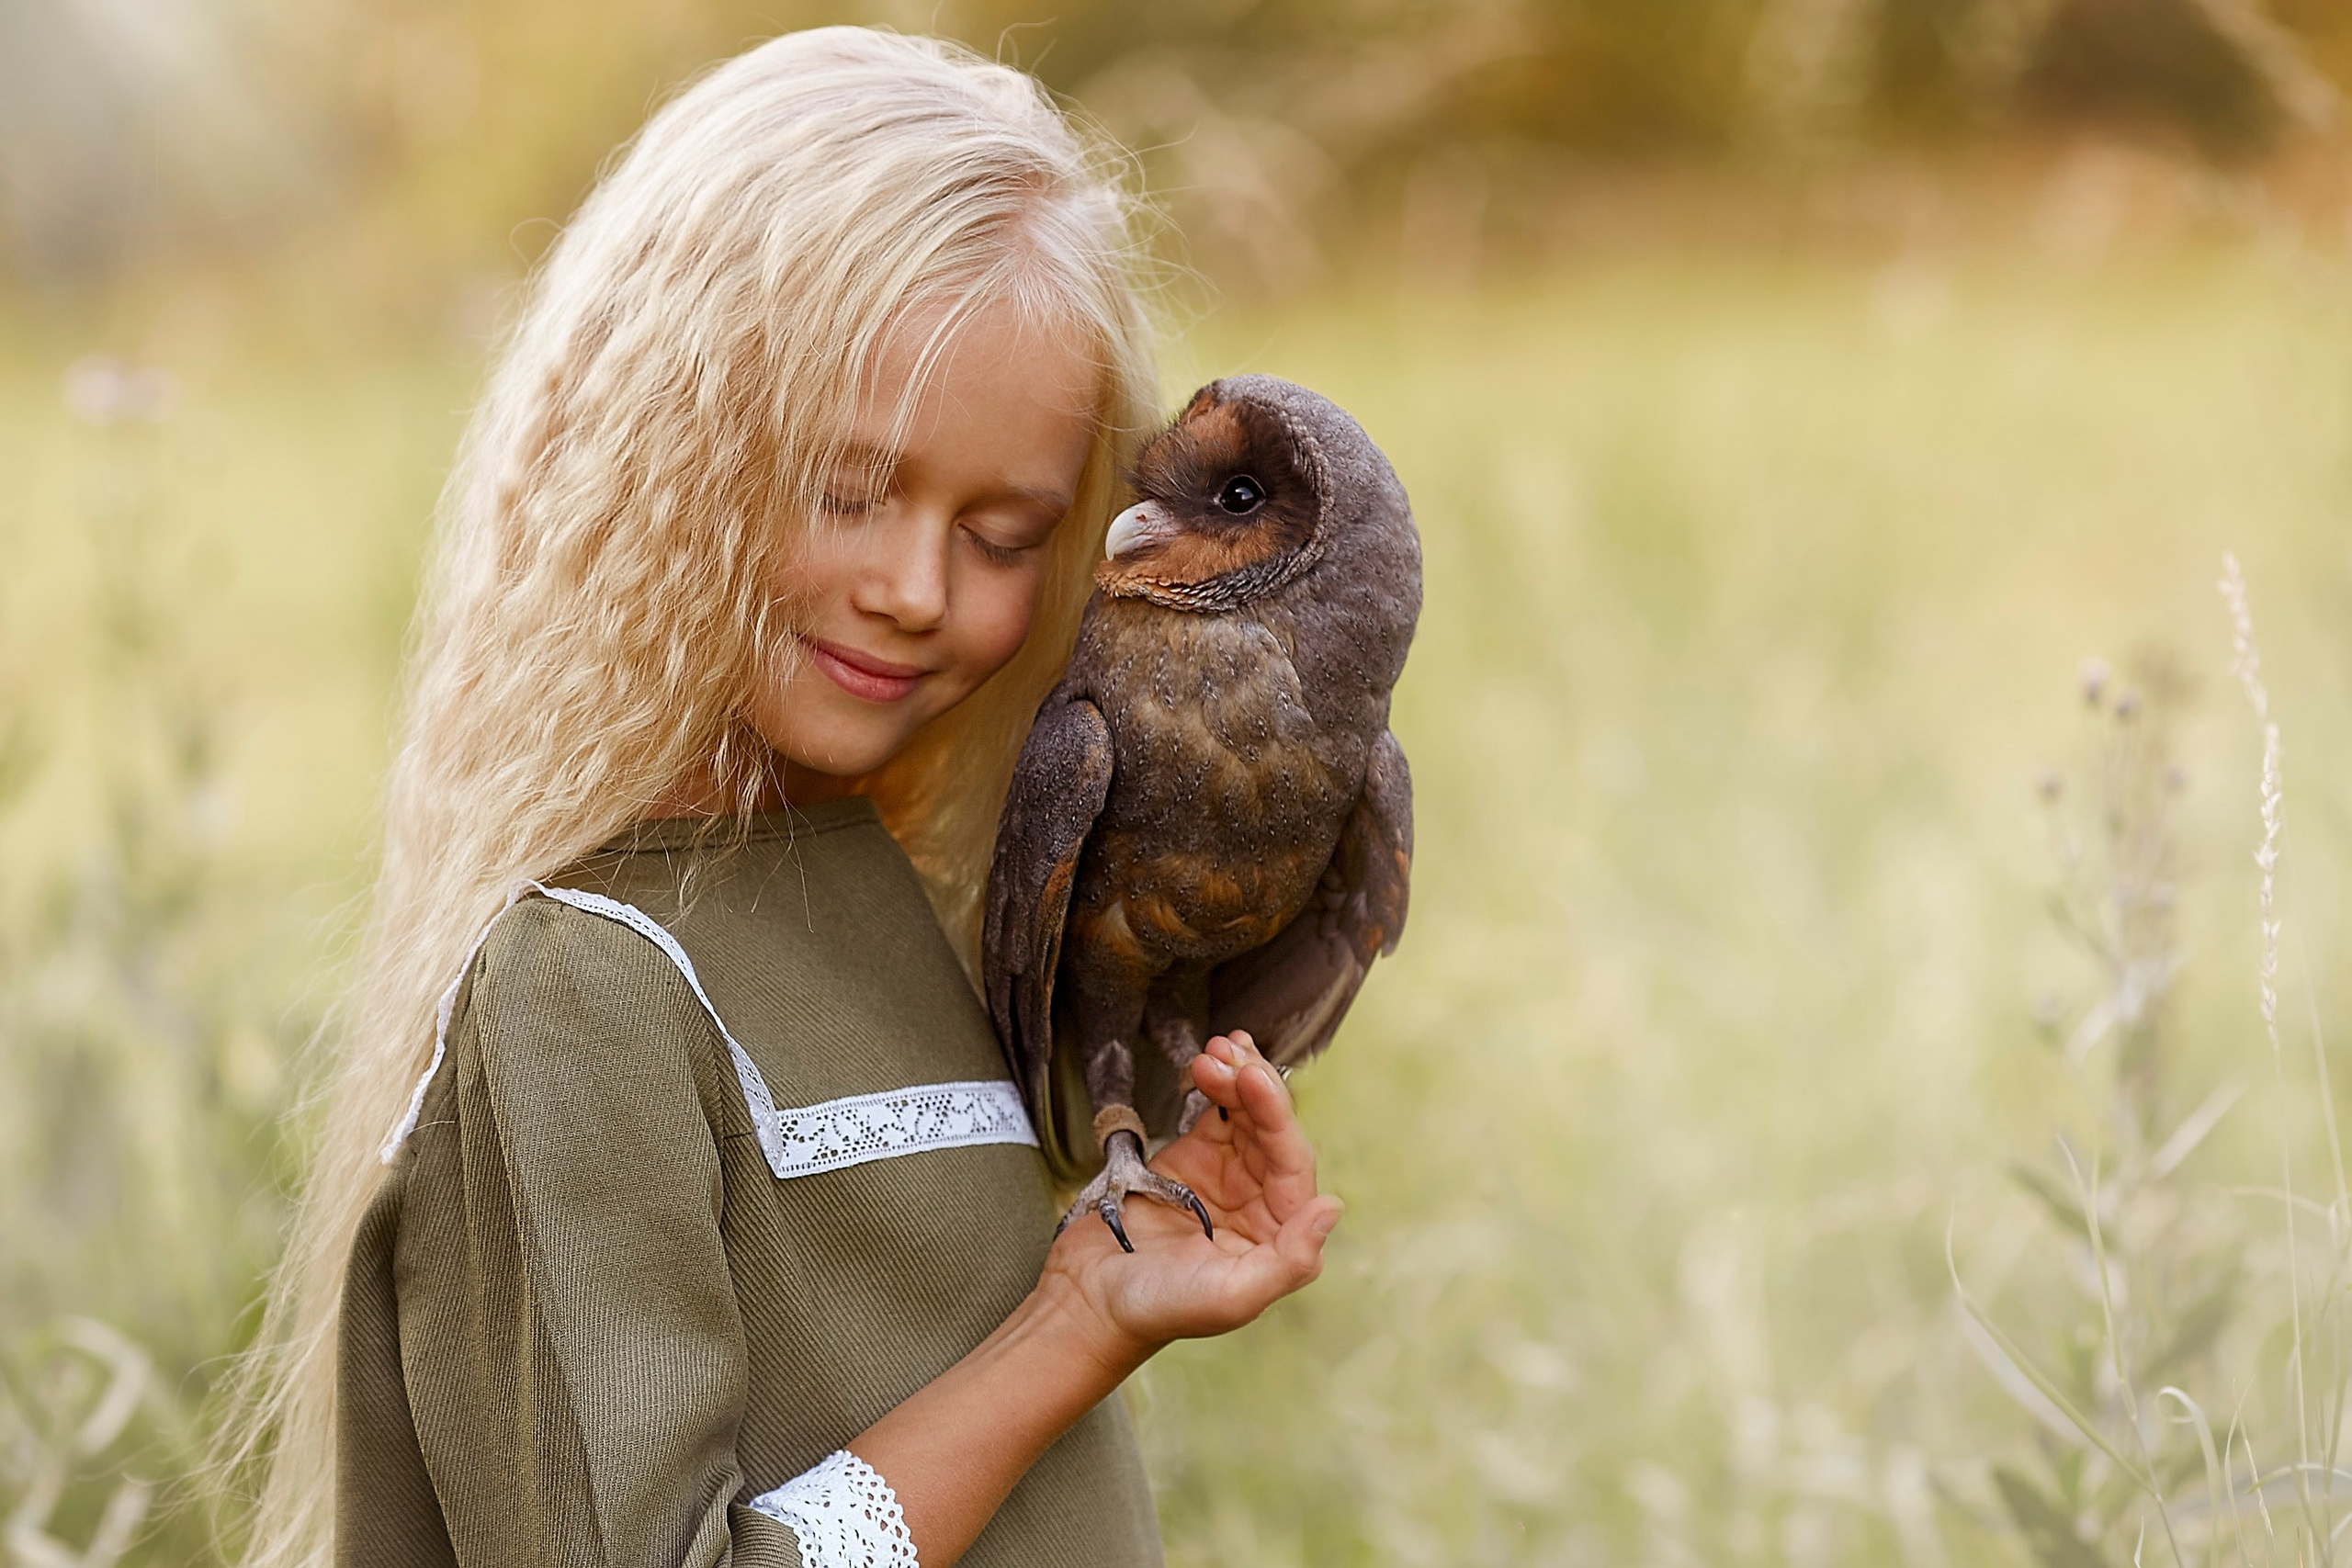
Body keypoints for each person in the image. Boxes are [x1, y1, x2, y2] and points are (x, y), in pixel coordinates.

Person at [223, 28, 1343, 1568]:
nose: (912, 589)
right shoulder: (589, 984)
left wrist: (1092, 1295)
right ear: (656, 448)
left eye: (1005, 533)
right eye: (846, 490)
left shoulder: (891, 886)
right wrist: (1056, 1346)